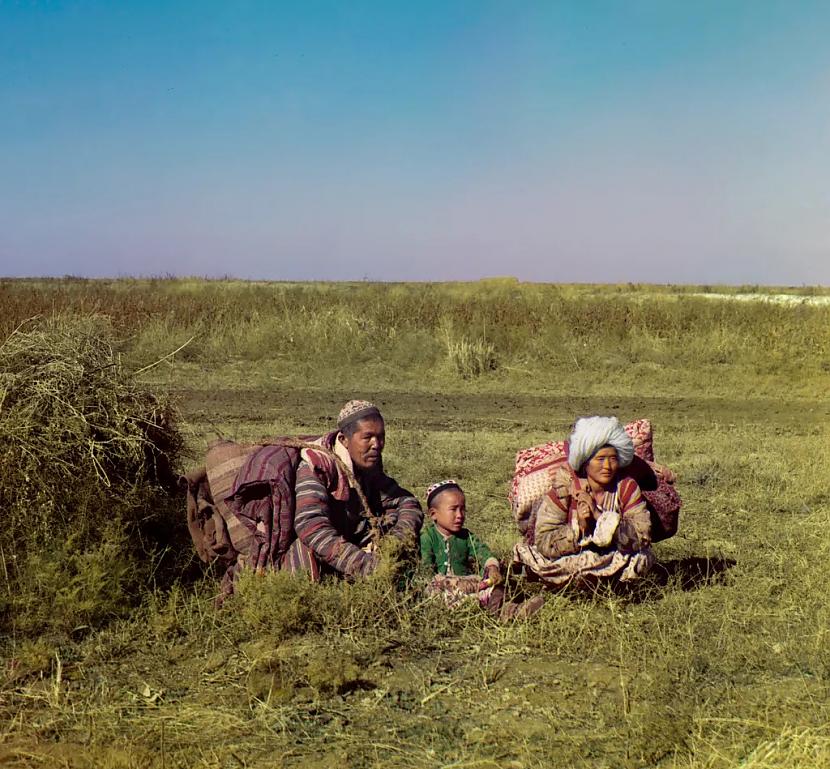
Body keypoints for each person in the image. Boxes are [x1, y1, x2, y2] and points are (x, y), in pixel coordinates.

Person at [280, 400, 423, 580]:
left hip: (354, 544)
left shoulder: (368, 466)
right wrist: (364, 565)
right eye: (367, 437)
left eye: (381, 437)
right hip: (328, 553)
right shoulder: (316, 466)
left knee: (394, 516)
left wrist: (395, 541)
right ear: (344, 440)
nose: (377, 444)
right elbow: (309, 524)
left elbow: (406, 501)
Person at [513, 416, 654, 588]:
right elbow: (543, 541)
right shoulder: (564, 488)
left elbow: (642, 535)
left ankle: (588, 583)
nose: (608, 466)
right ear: (585, 462)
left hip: (614, 556)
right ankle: (592, 582)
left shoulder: (626, 487)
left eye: (613, 459)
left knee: (641, 558)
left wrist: (598, 515)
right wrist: (578, 528)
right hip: (571, 558)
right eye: (600, 459)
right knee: (546, 561)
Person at [421, 480, 544, 619]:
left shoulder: (466, 536)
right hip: (444, 588)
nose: (460, 515)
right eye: (453, 509)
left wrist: (492, 567)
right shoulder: (427, 537)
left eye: (463, 509)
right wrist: (449, 582)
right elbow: (425, 572)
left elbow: (483, 552)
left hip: (471, 586)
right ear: (433, 514)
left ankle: (511, 611)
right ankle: (497, 610)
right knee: (434, 592)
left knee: (495, 586)